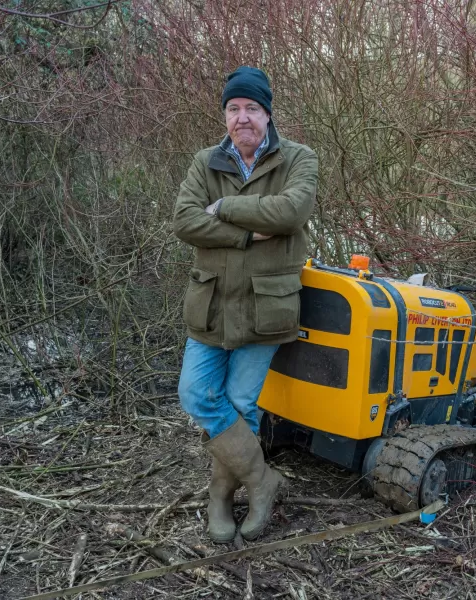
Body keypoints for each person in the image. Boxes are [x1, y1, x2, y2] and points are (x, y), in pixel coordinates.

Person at [171, 66, 318, 542]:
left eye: (251, 108)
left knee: (240, 404)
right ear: (225, 116)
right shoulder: (204, 162)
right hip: (211, 304)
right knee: (195, 395)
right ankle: (261, 480)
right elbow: (186, 222)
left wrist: (227, 208)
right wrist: (252, 232)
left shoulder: (299, 159)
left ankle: (220, 496)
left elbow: (292, 211)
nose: (242, 118)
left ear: (268, 114)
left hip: (265, 308)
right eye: (233, 109)